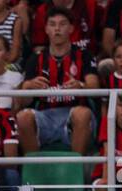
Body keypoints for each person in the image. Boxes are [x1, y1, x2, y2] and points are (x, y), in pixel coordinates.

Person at [17, 8, 98, 157]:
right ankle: (34, 171)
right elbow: (22, 101)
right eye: (52, 24)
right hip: (45, 116)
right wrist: (29, 86)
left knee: (82, 113)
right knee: (23, 117)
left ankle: (75, 170)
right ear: (46, 29)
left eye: (62, 24)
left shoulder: (84, 55)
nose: (57, 29)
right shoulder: (36, 59)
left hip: (74, 114)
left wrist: (81, 86)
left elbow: (94, 86)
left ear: (71, 28)